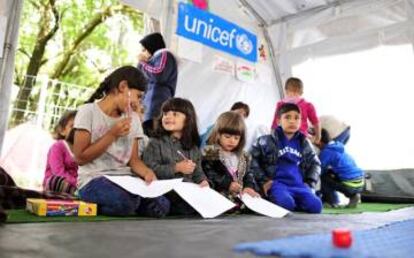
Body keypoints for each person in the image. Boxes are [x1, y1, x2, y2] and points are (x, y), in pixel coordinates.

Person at [73, 66, 170, 217]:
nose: (138, 102)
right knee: (126, 202)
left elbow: (134, 161)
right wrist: (112, 135)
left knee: (162, 205)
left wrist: (147, 173)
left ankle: (131, 205)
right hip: (94, 179)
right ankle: (109, 204)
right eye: (138, 96)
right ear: (123, 87)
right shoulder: (88, 112)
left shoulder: (133, 119)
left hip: (125, 180)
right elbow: (80, 158)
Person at [250, 103, 322, 213]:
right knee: (286, 204)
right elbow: (252, 160)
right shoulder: (265, 140)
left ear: (300, 121)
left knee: (316, 206)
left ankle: (295, 201)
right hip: (278, 184)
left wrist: (310, 182)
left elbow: (315, 164)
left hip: (299, 185)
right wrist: (264, 181)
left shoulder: (304, 142)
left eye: (296, 118)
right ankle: (286, 201)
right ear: (278, 121)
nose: (292, 121)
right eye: (287, 117)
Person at [143, 98, 209, 215]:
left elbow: (197, 172)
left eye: (175, 114)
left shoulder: (193, 148)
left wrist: (203, 181)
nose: (168, 117)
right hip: (163, 191)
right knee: (162, 205)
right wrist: (176, 168)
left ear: (188, 119)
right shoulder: (155, 143)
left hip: (185, 192)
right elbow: (150, 169)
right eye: (165, 113)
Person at [202, 111, 259, 211]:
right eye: (227, 137)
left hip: (239, 193)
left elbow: (249, 174)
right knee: (221, 200)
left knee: (255, 197)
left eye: (236, 138)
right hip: (219, 190)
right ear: (218, 134)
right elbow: (208, 173)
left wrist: (249, 187)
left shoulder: (244, 155)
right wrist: (227, 184)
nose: (232, 141)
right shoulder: (210, 151)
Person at [138, 32, 178, 137]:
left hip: (157, 106)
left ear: (151, 46)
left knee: (155, 137)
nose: (143, 53)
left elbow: (159, 74)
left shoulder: (164, 54)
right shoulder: (151, 61)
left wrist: (143, 63)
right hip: (147, 111)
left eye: (144, 49)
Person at [316, 128, 364, 208]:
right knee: (330, 173)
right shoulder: (338, 146)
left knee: (322, 177)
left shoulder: (326, 152)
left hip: (350, 185)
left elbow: (318, 169)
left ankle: (330, 202)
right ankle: (354, 195)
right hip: (360, 182)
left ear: (319, 142)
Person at [271, 77, 321, 143]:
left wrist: (318, 137)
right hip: (291, 137)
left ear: (285, 91)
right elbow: (316, 122)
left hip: (296, 138)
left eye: (295, 92)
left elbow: (275, 124)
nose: (293, 94)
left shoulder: (307, 105)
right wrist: (318, 137)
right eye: (292, 91)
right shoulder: (307, 105)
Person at [43, 111, 78, 195]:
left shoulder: (83, 149)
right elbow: (58, 172)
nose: (77, 130)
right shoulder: (58, 147)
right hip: (57, 184)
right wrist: (77, 183)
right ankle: (77, 193)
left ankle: (78, 193)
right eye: (72, 126)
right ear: (62, 131)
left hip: (76, 185)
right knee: (55, 181)